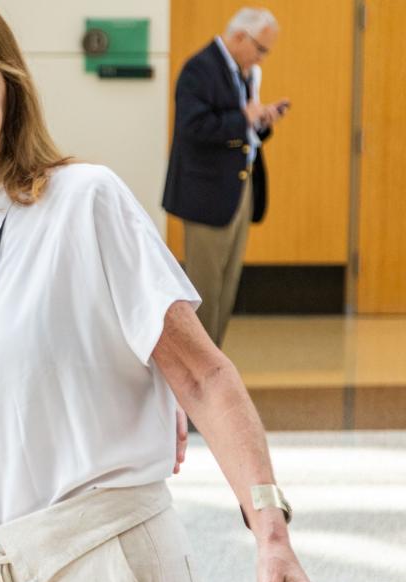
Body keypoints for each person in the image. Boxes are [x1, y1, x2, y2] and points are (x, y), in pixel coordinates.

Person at [0, 1, 320, 582]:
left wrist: (270, 528)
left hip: (104, 577)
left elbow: (201, 377)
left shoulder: (83, 202)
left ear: (12, 91)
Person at [163, 7, 289, 346]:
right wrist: (242, 117)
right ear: (238, 37)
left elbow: (240, 128)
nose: (261, 59)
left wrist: (260, 120)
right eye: (260, 50)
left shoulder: (242, 73)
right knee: (205, 288)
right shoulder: (200, 69)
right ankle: (199, 373)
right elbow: (193, 128)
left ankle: (213, 363)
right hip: (207, 194)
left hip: (239, 188)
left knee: (228, 284)